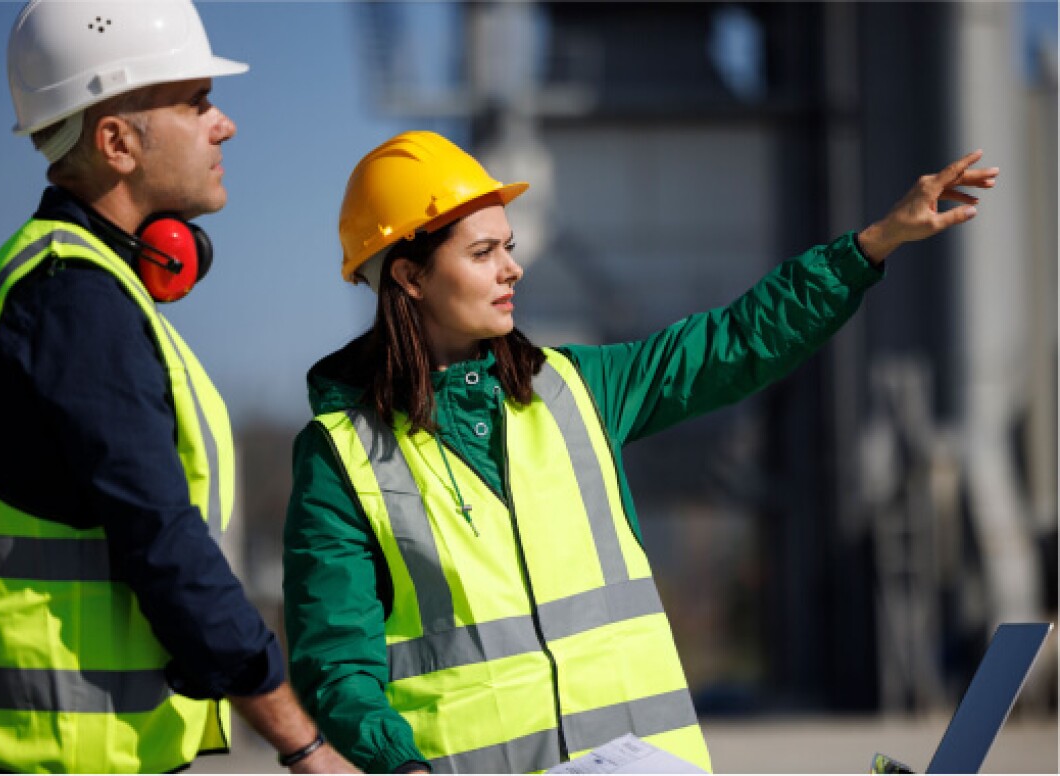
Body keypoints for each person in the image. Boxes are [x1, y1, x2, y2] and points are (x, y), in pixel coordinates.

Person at [281, 130, 998, 774]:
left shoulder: (575, 389)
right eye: (483, 252)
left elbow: (736, 341)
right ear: (409, 277)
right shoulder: (340, 457)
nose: (512, 270)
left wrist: (872, 245)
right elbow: (337, 664)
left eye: (510, 246)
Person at [0, 1, 356, 772]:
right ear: (115, 142)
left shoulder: (71, 284)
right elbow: (165, 544)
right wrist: (304, 743)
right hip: (50, 754)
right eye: (197, 102)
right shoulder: (74, 302)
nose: (225, 126)